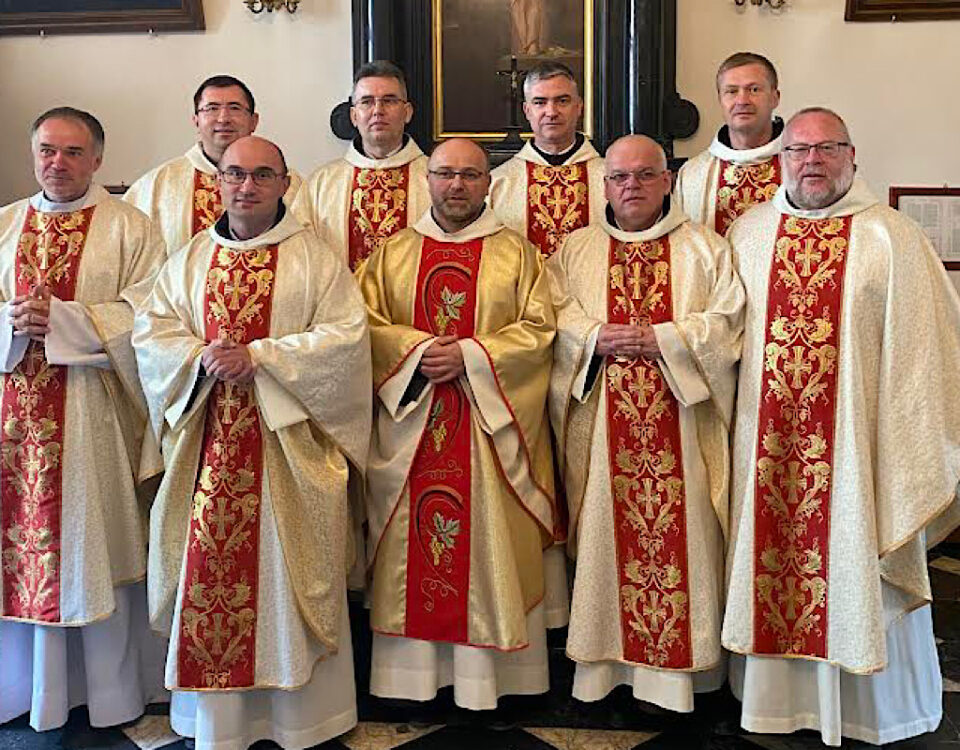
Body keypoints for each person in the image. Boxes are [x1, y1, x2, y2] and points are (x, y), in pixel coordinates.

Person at [723, 107, 960, 746]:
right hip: (766, 446)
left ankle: (873, 710)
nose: (812, 161)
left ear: (852, 157)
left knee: (856, 563)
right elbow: (721, 339)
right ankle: (776, 704)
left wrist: (901, 449)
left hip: (857, 454)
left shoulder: (893, 237)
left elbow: (928, 354)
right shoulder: (749, 234)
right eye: (799, 150)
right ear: (781, 161)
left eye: (828, 148)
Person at [133, 135, 371, 750]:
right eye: (235, 174)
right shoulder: (189, 259)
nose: (247, 186)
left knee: (288, 574)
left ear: (285, 184)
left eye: (263, 175)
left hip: (287, 450)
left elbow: (347, 339)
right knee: (206, 571)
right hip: (207, 448)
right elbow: (152, 333)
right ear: (218, 182)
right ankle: (218, 724)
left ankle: (303, 719)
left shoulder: (315, 258)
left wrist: (261, 358)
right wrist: (200, 358)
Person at [358, 138, 557, 709]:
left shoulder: (519, 255)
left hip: (489, 432)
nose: (457, 186)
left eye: (470, 175)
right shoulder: (391, 254)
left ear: (489, 183)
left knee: (491, 544)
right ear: (427, 179)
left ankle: (493, 681)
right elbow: (362, 326)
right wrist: (419, 352)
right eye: (446, 173)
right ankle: (409, 680)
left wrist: (470, 356)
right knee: (413, 545)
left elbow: (541, 332)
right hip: (412, 428)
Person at [548, 134, 744, 711]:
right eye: (619, 177)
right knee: (605, 540)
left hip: (682, 425)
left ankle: (682, 678)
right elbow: (552, 314)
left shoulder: (705, 248)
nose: (630, 186)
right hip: (601, 426)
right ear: (604, 184)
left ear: (667, 180)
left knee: (687, 538)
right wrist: (593, 337)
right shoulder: (577, 249)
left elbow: (727, 322)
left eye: (643, 175)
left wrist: (667, 339)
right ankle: (603, 667)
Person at [0, 107, 167, 731]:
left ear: (97, 158)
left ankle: (111, 694)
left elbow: (152, 317)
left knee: (93, 546)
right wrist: (10, 324)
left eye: (73, 152)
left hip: (93, 414)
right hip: (13, 418)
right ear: (32, 153)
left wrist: (65, 321)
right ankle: (21, 692)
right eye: (47, 150)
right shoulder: (5, 224)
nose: (58, 163)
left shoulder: (131, 228)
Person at [489, 61, 604, 627]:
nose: (551, 112)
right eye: (540, 102)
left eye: (562, 101)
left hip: (596, 356)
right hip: (524, 356)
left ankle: (593, 598)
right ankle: (546, 607)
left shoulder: (613, 176)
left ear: (579, 107)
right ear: (526, 111)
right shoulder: (500, 185)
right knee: (532, 469)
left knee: (588, 472)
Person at [124, 74, 301, 256]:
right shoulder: (156, 185)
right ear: (196, 120)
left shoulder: (287, 184)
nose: (223, 118)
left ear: (254, 121)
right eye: (212, 108)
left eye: (235, 108)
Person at [293, 61, 430, 272]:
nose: (378, 110)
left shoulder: (434, 178)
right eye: (367, 102)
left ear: (407, 112)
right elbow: (300, 255)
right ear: (354, 116)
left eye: (389, 101)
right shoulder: (320, 184)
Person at [674, 52, 783, 235]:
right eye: (732, 91)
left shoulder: (802, 166)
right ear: (720, 100)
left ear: (775, 97)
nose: (742, 100)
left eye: (754, 89)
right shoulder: (692, 174)